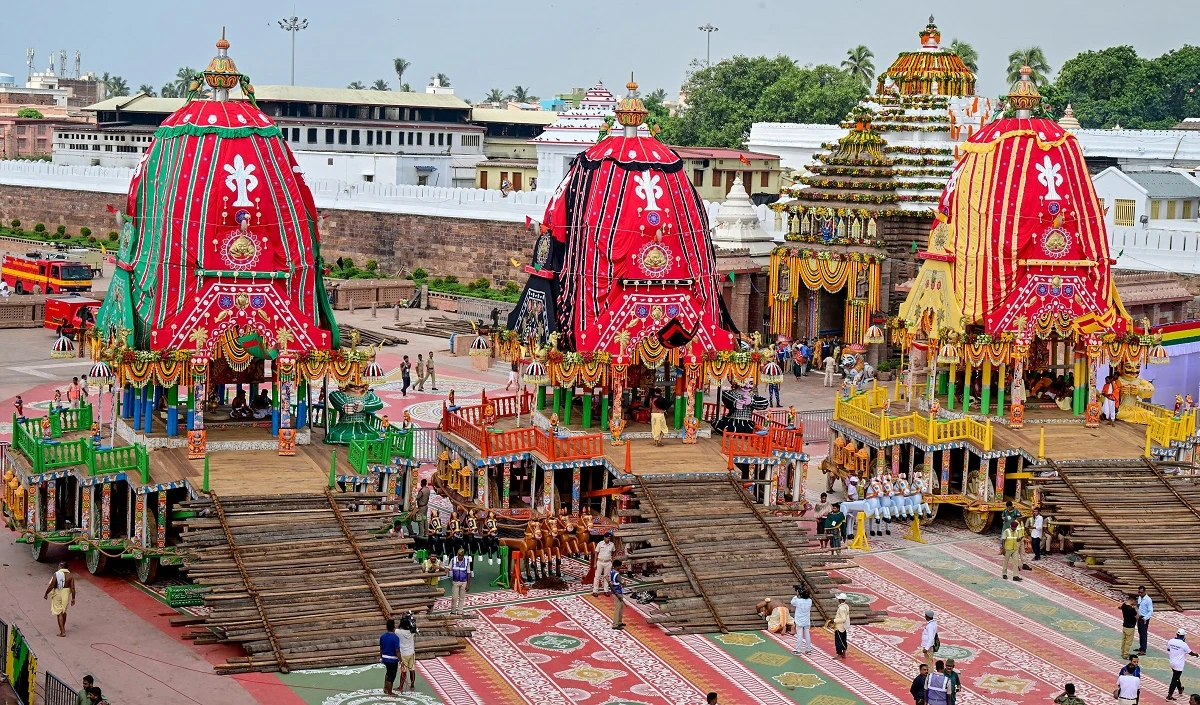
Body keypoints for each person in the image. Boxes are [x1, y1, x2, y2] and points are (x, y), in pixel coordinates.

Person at [43, 561, 76, 637]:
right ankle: (62, 627)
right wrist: (73, 598)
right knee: (64, 611)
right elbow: (73, 588)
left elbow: (51, 585)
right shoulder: (70, 575)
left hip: (58, 593)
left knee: (59, 612)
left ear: (60, 567)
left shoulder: (57, 574)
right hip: (66, 593)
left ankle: (62, 632)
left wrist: (46, 593)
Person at [1168, 628, 1198, 700]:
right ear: (1183, 636)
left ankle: (1180, 689)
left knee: (1176, 677)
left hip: (1172, 662)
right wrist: (1196, 654)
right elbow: (1190, 653)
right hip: (1179, 665)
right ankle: (1169, 695)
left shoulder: (1170, 641)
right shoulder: (1183, 644)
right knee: (1174, 679)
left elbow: (1168, 649)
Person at [395, 611, 419, 693]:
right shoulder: (412, 632)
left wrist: (403, 619)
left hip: (403, 654)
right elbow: (414, 627)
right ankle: (412, 685)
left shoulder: (398, 632)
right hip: (411, 653)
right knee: (412, 669)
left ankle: (401, 686)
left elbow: (397, 627)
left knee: (403, 670)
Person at [379, 618, 401, 696]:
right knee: (391, 676)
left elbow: (381, 648)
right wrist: (400, 659)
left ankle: (385, 688)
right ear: (393, 627)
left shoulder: (382, 636)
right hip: (392, 660)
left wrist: (381, 657)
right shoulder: (395, 638)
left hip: (385, 658)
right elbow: (397, 650)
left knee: (388, 673)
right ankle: (390, 692)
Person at [791, 585, 813, 655]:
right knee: (807, 635)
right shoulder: (810, 601)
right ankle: (808, 649)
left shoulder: (798, 601)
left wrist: (796, 595)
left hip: (799, 621)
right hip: (807, 621)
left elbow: (792, 602)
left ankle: (798, 650)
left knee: (799, 636)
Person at [449, 548, 471, 615]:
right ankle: (453, 611)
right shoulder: (453, 560)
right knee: (454, 597)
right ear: (457, 554)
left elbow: (468, 573)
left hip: (464, 582)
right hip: (456, 582)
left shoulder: (467, 561)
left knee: (462, 597)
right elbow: (449, 567)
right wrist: (446, 569)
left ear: (463, 555)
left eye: (462, 555)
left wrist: (468, 584)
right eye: (459, 555)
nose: (460, 557)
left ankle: (460, 611)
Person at [594, 531, 615, 596]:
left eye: (609, 538)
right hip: (600, 562)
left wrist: (612, 561)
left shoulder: (612, 544)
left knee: (607, 577)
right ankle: (595, 591)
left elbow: (613, 552)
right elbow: (596, 554)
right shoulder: (600, 544)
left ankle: (606, 590)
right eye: (607, 538)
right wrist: (595, 563)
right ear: (604, 538)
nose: (608, 539)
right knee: (597, 576)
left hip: (608, 562)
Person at [1119, 594, 1138, 660]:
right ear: (1132, 600)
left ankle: (1122, 652)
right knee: (1128, 642)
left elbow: (1120, 607)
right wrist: (1135, 609)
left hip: (1125, 625)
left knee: (1124, 640)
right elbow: (1137, 617)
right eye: (1134, 602)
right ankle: (1125, 654)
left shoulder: (1124, 605)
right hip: (1130, 627)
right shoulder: (1131, 609)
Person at [1136, 585, 1153, 655]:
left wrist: (1145, 618)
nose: (1140, 594)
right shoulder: (1140, 598)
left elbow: (1150, 611)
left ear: (1145, 592)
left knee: (1144, 633)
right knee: (1140, 632)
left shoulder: (1148, 600)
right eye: (1139, 592)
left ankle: (1143, 650)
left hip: (1144, 618)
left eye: (1141, 592)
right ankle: (1141, 647)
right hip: (1139, 617)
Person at [610, 559, 626, 630]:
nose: (620, 567)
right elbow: (623, 582)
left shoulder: (612, 572)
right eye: (619, 566)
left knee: (621, 607)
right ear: (617, 566)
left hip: (615, 591)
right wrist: (624, 583)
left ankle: (619, 621)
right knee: (618, 608)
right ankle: (615, 624)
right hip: (618, 593)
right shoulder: (617, 575)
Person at [833, 592, 850, 658]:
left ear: (840, 600)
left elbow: (843, 619)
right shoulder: (846, 606)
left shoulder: (841, 608)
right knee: (843, 640)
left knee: (838, 641)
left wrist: (835, 620)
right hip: (844, 627)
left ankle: (839, 654)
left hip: (839, 627)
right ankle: (844, 653)